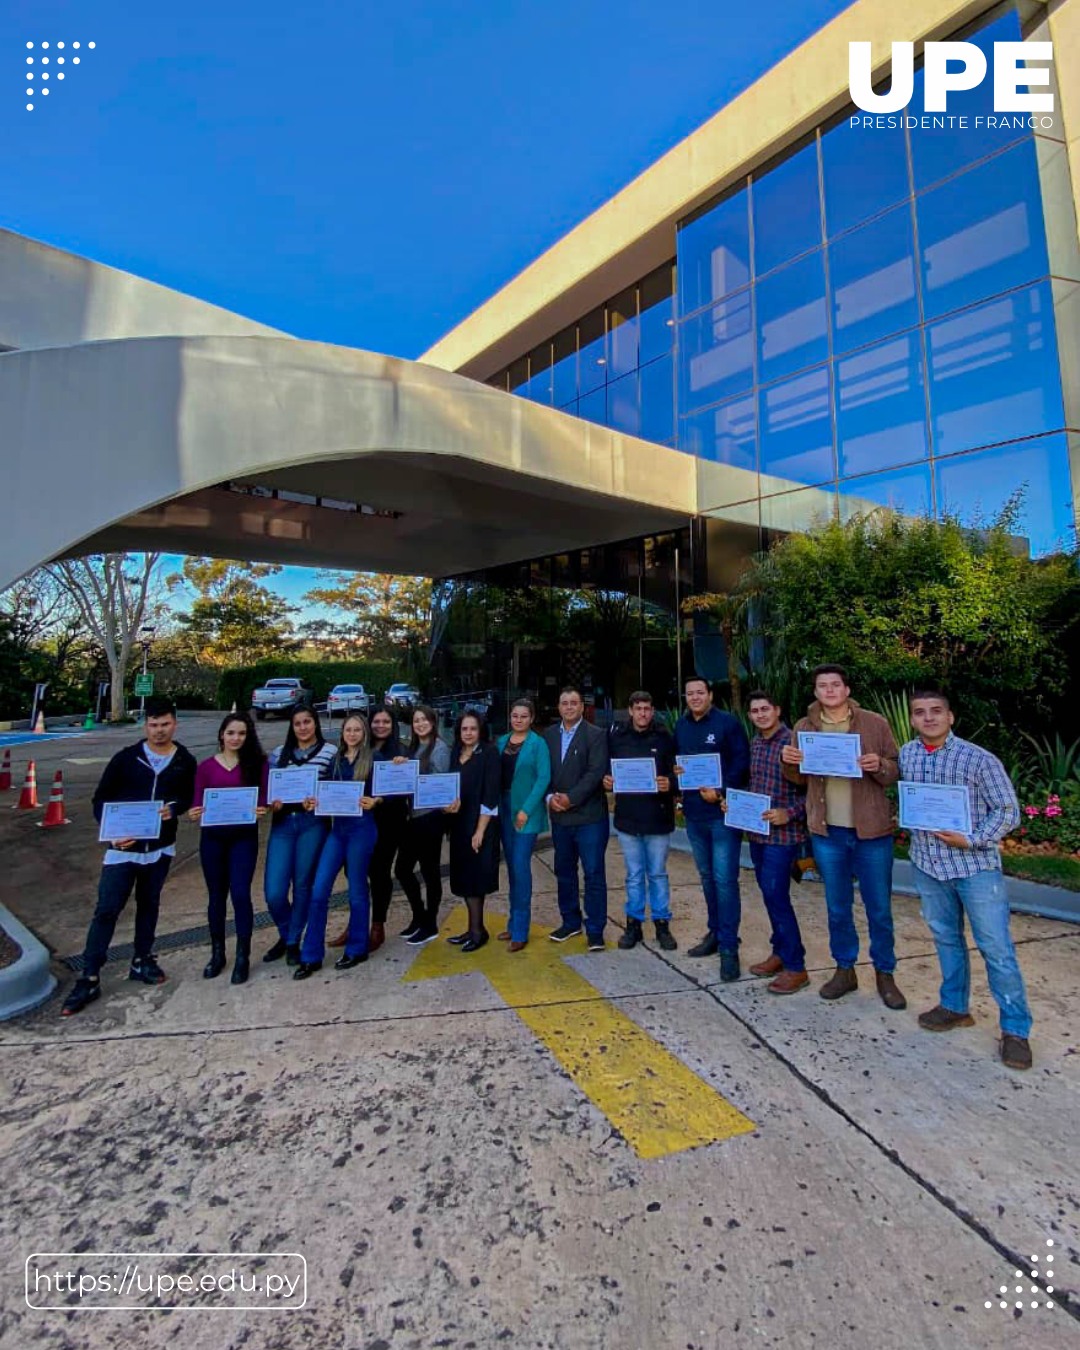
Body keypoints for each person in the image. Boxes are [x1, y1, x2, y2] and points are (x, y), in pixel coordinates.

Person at [900, 689, 1031, 1070]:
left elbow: (1008, 810)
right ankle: (955, 1006)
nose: (928, 718)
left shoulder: (978, 759)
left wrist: (972, 839)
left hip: (975, 868)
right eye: (920, 713)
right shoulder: (908, 754)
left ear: (951, 717)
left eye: (936, 711)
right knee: (945, 939)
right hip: (929, 865)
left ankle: (1015, 1030)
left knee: (996, 948)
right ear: (911, 720)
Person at [61, 697, 197, 1017]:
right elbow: (101, 798)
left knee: (149, 905)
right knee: (107, 909)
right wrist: (111, 832)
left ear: (174, 724)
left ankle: (142, 959)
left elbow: (190, 796)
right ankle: (89, 975)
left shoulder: (184, 760)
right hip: (122, 849)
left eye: (165, 724)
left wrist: (174, 809)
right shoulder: (126, 758)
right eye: (153, 725)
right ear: (145, 725)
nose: (160, 730)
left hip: (159, 849)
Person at [781, 664, 905, 1009]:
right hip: (827, 831)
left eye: (836, 685)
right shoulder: (805, 727)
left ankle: (885, 973)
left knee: (879, 908)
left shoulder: (874, 723)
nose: (830, 690)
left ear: (847, 690)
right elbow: (797, 778)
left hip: (871, 832)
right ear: (816, 692)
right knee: (837, 907)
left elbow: (895, 769)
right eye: (823, 686)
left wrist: (878, 764)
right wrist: (788, 761)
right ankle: (845, 969)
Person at [732, 691, 809, 994]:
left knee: (777, 896)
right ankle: (779, 951)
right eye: (754, 711)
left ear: (777, 710)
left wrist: (787, 813)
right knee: (768, 894)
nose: (760, 715)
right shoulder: (756, 744)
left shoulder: (793, 744)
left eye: (766, 709)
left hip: (784, 834)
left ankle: (795, 966)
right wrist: (735, 806)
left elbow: (814, 792)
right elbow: (754, 785)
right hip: (758, 833)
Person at [673, 675, 750, 981]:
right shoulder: (681, 725)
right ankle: (715, 933)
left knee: (725, 880)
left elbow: (741, 763)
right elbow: (679, 764)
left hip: (721, 813)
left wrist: (720, 790)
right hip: (694, 815)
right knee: (707, 878)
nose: (694, 697)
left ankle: (730, 948)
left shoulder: (728, 724)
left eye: (699, 692)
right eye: (689, 693)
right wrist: (676, 772)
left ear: (710, 694)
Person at [294, 713, 380, 979]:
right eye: (348, 730)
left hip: (362, 829)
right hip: (338, 829)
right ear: (342, 733)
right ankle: (311, 955)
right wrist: (312, 801)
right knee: (319, 890)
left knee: (356, 888)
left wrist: (376, 801)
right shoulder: (335, 760)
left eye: (357, 730)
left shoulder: (373, 759)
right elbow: (323, 790)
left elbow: (388, 789)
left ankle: (357, 948)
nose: (352, 734)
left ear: (364, 733)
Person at [188, 712, 269, 986]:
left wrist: (263, 808)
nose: (236, 738)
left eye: (242, 733)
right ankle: (218, 953)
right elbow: (197, 801)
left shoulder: (257, 764)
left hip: (243, 838)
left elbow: (266, 798)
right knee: (216, 897)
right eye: (231, 732)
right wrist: (194, 812)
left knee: (241, 894)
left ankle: (243, 955)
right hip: (213, 839)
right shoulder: (206, 767)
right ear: (222, 734)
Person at [604, 690, 677, 952]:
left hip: (658, 817)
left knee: (657, 874)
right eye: (638, 708)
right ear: (630, 711)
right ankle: (633, 923)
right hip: (628, 817)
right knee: (634, 875)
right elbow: (606, 768)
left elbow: (678, 771)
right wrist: (607, 779)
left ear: (652, 710)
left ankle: (661, 923)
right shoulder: (617, 737)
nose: (643, 713)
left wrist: (671, 783)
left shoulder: (664, 737)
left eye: (647, 708)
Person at [262, 704, 335, 966]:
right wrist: (273, 802)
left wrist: (320, 800)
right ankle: (287, 932)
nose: (303, 727)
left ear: (315, 723)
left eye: (307, 722)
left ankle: (292, 940)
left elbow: (335, 790)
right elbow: (267, 790)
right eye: (297, 723)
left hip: (312, 824)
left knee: (303, 884)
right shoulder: (278, 754)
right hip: (283, 824)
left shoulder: (329, 753)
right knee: (274, 892)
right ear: (291, 727)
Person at [329, 707, 406, 953]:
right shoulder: (355, 751)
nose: (381, 725)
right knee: (354, 874)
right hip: (358, 822)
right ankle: (355, 925)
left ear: (393, 725)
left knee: (379, 874)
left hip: (388, 822)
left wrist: (401, 767)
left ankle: (377, 926)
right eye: (376, 721)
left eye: (386, 721)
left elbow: (401, 786)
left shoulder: (399, 751)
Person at [542, 686, 610, 951]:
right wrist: (549, 798)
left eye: (574, 703)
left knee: (593, 873)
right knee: (564, 871)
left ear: (582, 707)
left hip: (590, 817)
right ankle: (570, 922)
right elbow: (542, 771)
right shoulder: (547, 736)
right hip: (560, 819)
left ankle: (595, 930)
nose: (569, 707)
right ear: (558, 707)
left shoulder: (595, 735)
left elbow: (595, 773)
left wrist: (570, 798)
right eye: (564, 703)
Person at [496, 698, 550, 952]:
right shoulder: (501, 741)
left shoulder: (538, 744)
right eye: (515, 715)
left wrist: (526, 810)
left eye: (523, 716)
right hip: (503, 808)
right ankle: (512, 923)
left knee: (520, 867)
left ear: (532, 718)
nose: (518, 720)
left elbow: (544, 778)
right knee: (511, 870)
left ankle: (521, 930)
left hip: (525, 811)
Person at [395, 704, 452, 946]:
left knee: (429, 872)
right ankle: (419, 915)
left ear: (433, 722)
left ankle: (430, 923)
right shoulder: (414, 746)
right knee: (403, 870)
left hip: (430, 817)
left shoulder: (439, 748)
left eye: (424, 720)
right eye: (416, 721)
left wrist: (412, 772)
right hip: (413, 817)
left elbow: (441, 785)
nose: (420, 724)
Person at [446, 713, 502, 952]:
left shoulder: (489, 753)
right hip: (459, 825)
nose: (468, 733)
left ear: (481, 730)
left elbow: (491, 794)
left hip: (480, 825)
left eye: (473, 728)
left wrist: (480, 831)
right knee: (463, 878)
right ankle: (472, 929)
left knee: (476, 879)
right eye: (464, 729)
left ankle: (479, 932)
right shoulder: (456, 754)